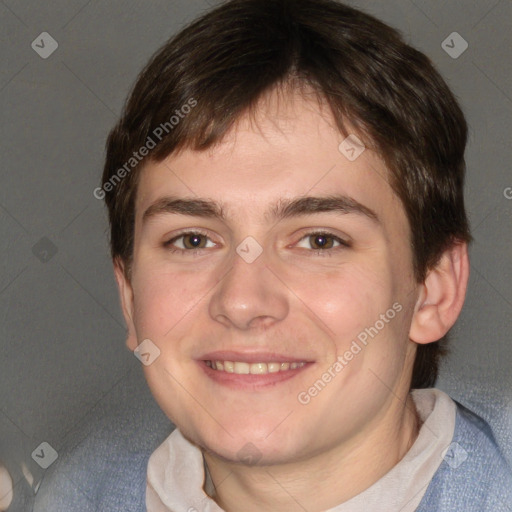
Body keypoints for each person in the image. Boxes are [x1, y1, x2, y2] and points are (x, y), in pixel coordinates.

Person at [41, 0, 512, 510]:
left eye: (320, 241)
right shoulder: (70, 491)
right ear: (130, 295)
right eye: (193, 240)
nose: (243, 302)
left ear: (433, 291)